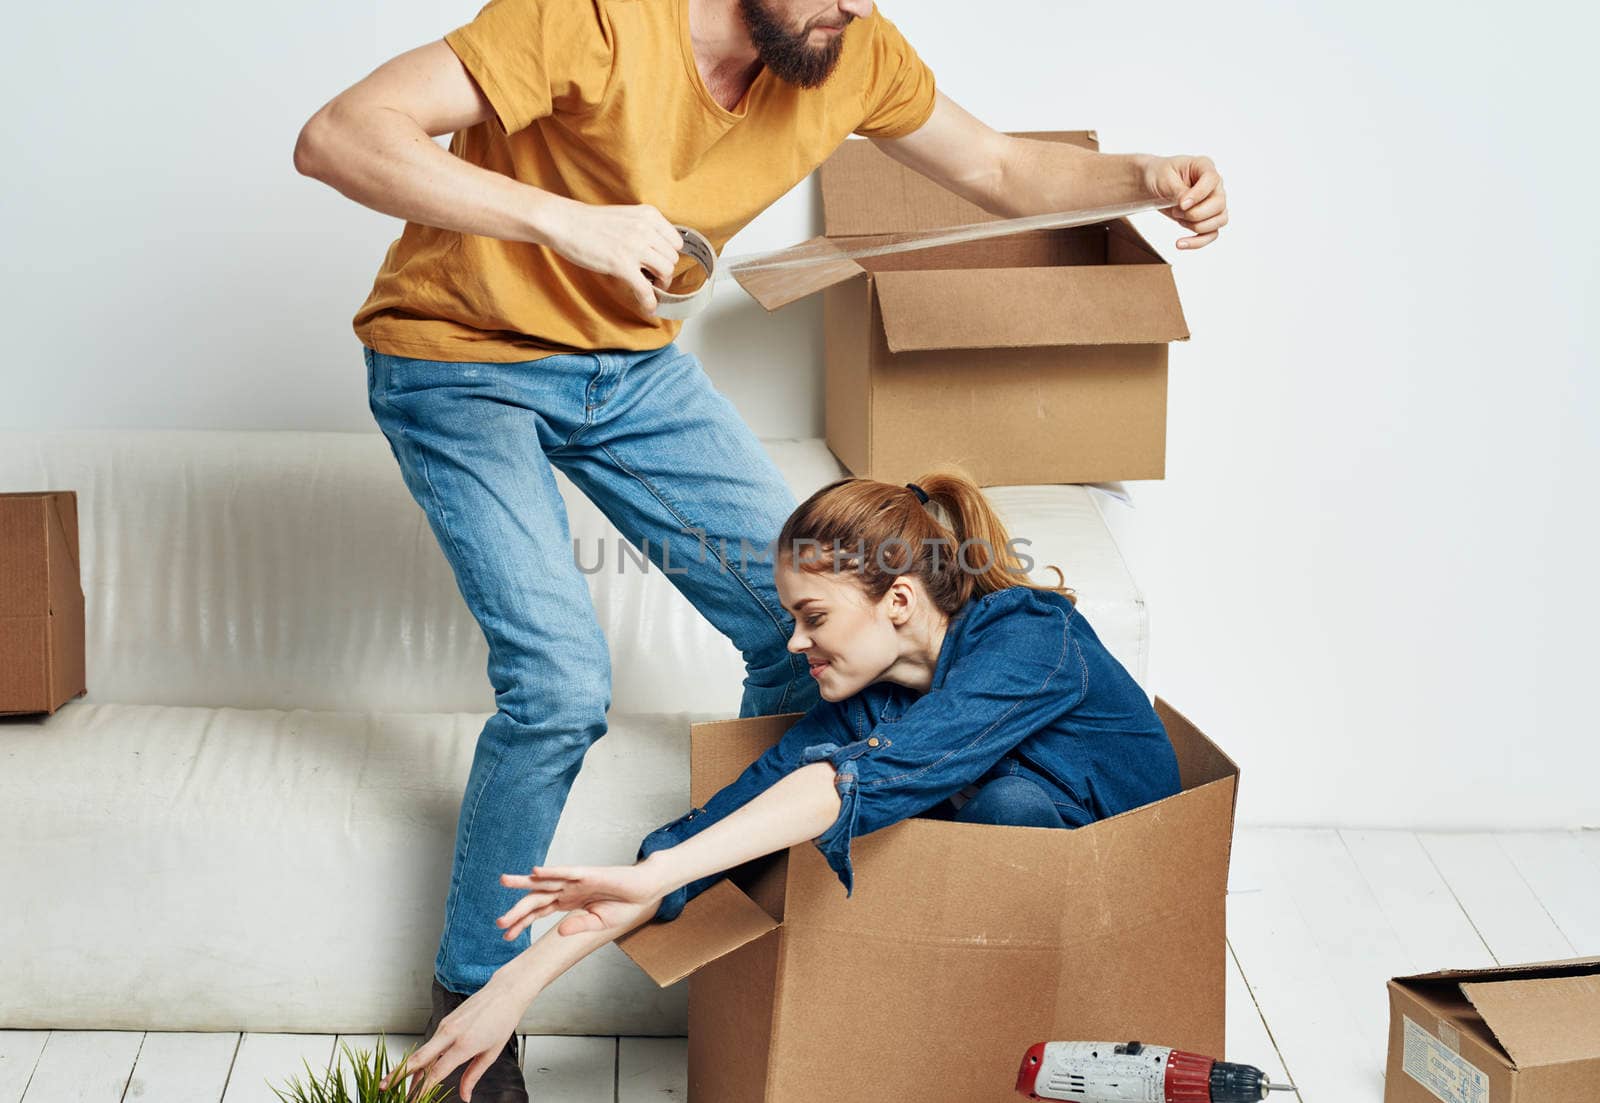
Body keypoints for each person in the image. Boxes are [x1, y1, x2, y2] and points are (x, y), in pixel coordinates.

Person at [294, 0, 1227, 1097]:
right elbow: (339, 136)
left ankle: (797, 921)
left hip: (627, 366)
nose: (853, 9)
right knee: (558, 682)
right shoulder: (589, 22)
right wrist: (565, 221)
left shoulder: (849, 49)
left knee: (799, 661)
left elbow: (1003, 173)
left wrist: (1149, 178)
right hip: (459, 356)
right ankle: (473, 992)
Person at [380, 469, 1182, 1100]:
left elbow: (868, 777)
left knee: (997, 801)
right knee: (725, 846)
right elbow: (696, 844)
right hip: (980, 935)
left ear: (898, 600)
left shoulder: (1031, 639)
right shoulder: (867, 704)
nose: (794, 640)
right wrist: (508, 988)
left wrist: (666, 869)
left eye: (814, 616)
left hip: (1116, 916)